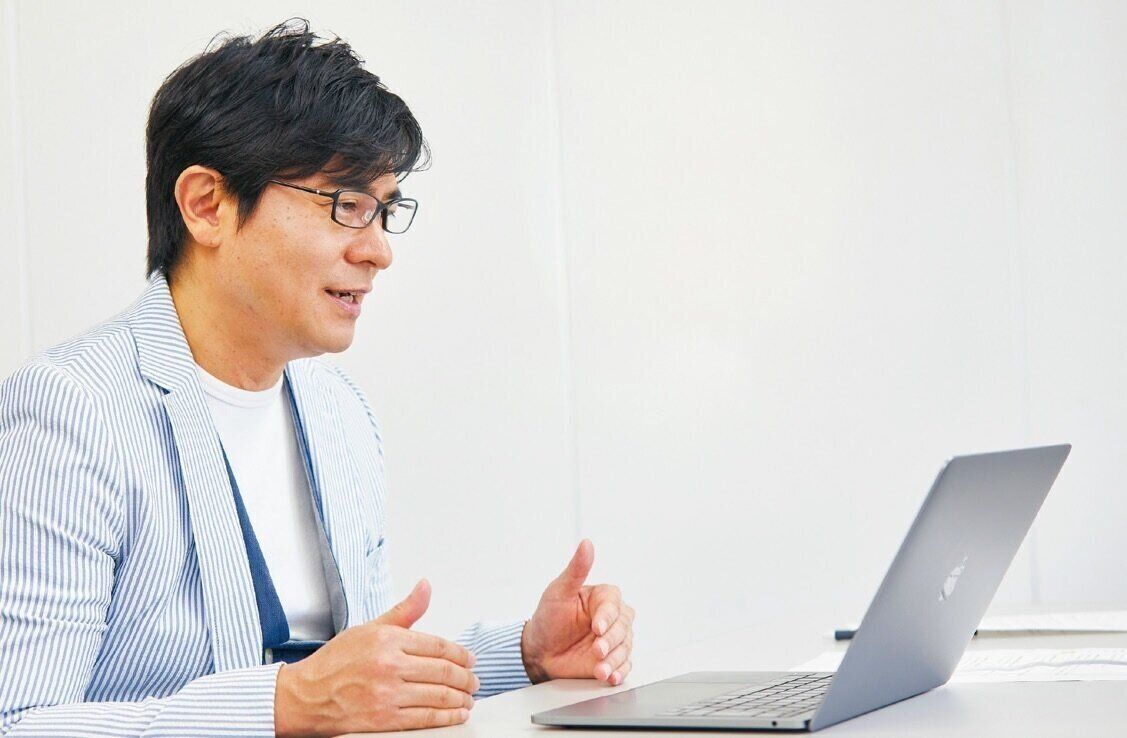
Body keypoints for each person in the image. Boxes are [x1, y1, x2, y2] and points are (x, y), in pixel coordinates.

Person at [0, 20, 634, 737]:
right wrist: (284, 705)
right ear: (207, 204)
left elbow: (349, 682)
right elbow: (19, 721)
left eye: (384, 212)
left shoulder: (338, 411)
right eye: (346, 204)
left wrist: (527, 655)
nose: (378, 251)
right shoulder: (71, 412)